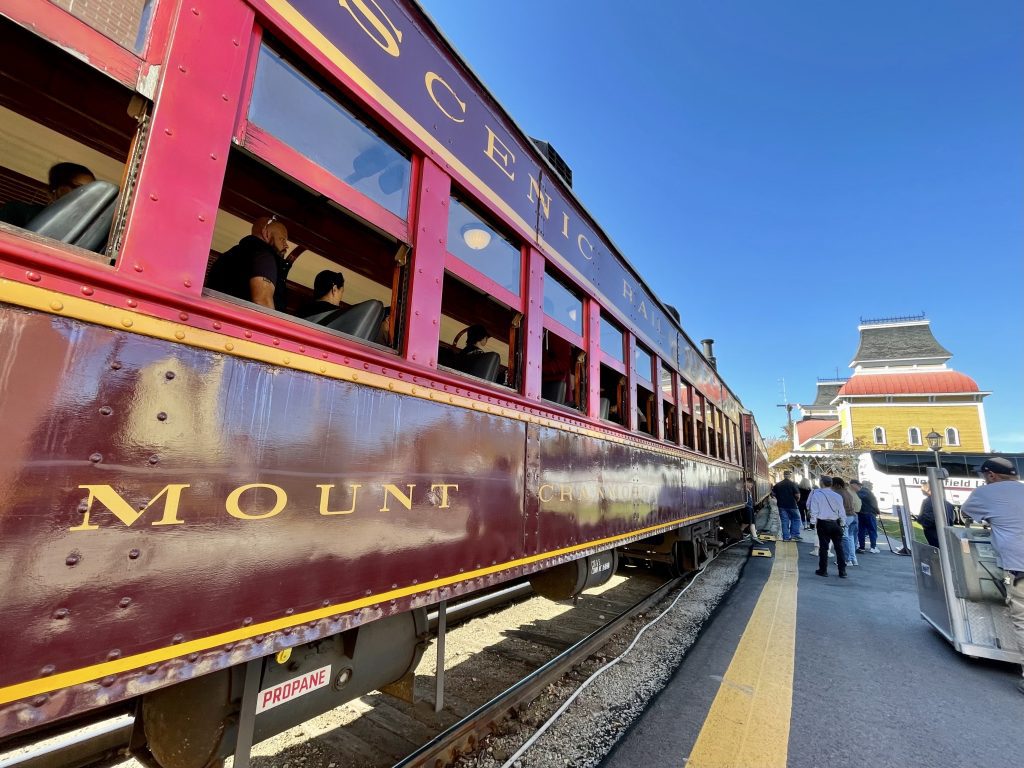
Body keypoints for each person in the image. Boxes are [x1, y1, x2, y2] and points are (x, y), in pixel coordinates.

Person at [961, 457, 1024, 696]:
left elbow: (968, 512)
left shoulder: (987, 493)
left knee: (1023, 619)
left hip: (1019, 565)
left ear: (991, 475)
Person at [206, 216, 294, 311]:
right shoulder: (264, 255)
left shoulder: (228, 255)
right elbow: (263, 302)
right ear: (266, 233)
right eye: (282, 239)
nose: (286, 245)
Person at [0, 162, 96, 227]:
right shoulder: (17, 212)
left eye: (92, 193)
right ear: (55, 191)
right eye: (79, 189)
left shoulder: (90, 231)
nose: (86, 197)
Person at [808, 476, 847, 578]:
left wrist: (812, 523)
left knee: (823, 548)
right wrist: (842, 523)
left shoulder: (817, 495)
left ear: (821, 483)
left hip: (823, 523)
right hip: (836, 523)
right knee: (839, 548)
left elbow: (814, 511)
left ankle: (823, 570)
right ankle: (842, 571)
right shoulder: (837, 496)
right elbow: (842, 512)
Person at [916, 479, 954, 548]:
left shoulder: (927, 501)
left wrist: (919, 520)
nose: (921, 491)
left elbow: (925, 519)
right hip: (946, 532)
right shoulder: (946, 503)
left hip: (933, 532)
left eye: (922, 490)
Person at [833, 477, 859, 567]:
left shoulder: (837, 493)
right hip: (853, 516)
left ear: (836, 484)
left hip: (845, 517)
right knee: (850, 538)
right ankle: (853, 559)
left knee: (844, 538)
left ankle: (846, 560)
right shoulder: (847, 492)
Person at [771, 470, 802, 542]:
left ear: (783, 475)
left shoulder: (778, 485)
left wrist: (778, 498)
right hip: (792, 505)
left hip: (781, 505)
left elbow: (772, 494)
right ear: (790, 476)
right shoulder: (793, 484)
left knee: (784, 521)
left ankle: (785, 537)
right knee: (796, 519)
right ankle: (794, 535)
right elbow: (797, 495)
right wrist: (796, 501)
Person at [851, 479, 880, 553]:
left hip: (860, 513)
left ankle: (862, 547)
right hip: (870, 513)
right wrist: (877, 511)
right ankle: (873, 547)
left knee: (861, 530)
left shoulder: (857, 493)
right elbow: (874, 503)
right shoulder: (869, 493)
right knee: (872, 530)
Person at [743, 477, 763, 544]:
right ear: (747, 482)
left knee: (751, 522)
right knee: (747, 522)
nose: (751, 487)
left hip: (750, 508)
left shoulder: (748, 490)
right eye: (750, 485)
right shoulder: (744, 490)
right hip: (747, 508)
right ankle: (741, 532)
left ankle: (755, 537)